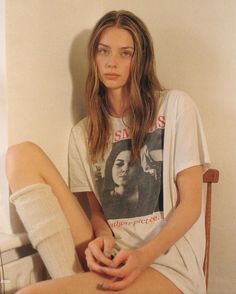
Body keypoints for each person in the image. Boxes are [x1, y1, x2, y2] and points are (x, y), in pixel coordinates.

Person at [6, 10, 210, 294]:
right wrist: (101, 239)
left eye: (125, 53)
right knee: (21, 154)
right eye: (104, 51)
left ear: (140, 60)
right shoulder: (83, 133)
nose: (111, 62)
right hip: (115, 257)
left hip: (167, 265)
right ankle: (74, 280)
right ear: (94, 56)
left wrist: (142, 257)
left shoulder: (176, 107)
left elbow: (191, 206)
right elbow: (100, 214)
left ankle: (70, 284)